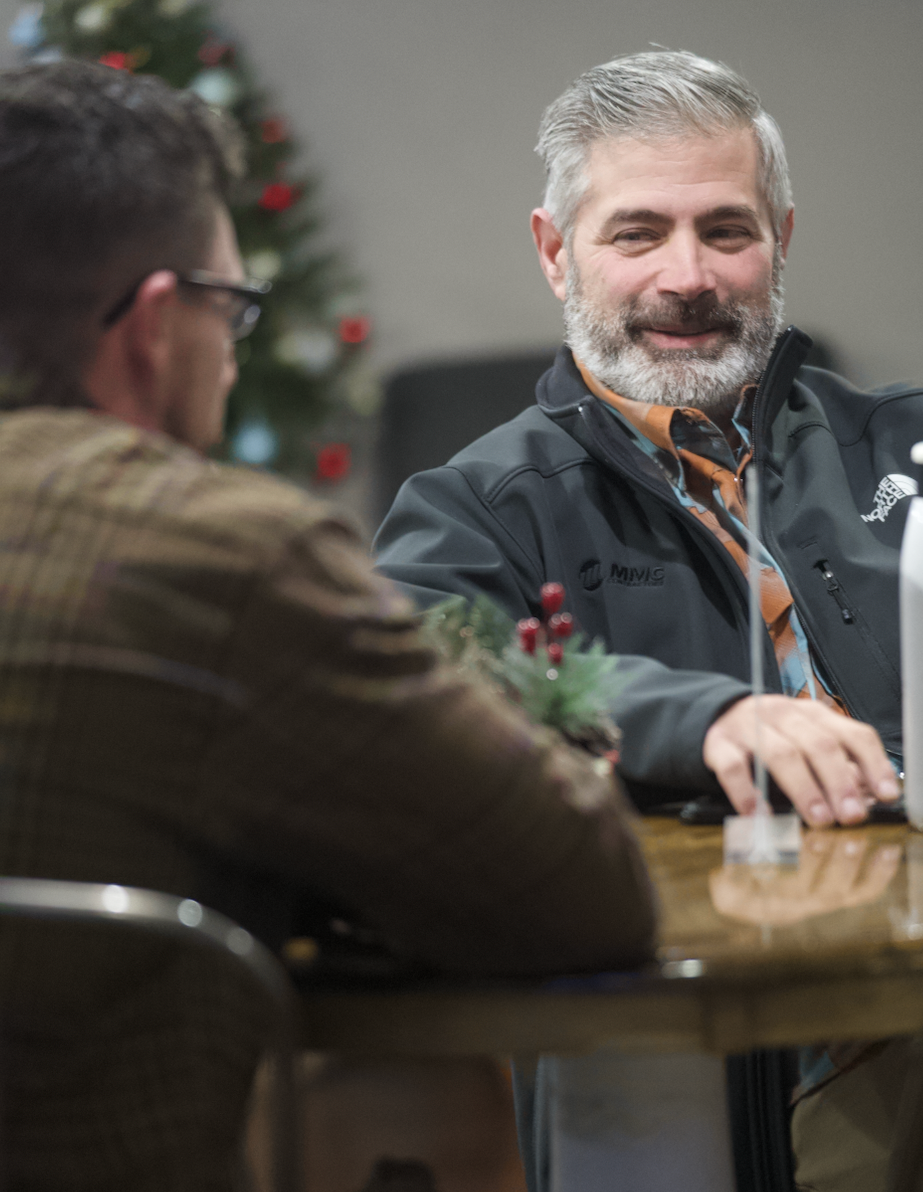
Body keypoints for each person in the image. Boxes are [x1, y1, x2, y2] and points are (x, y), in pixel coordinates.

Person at [0, 60, 657, 1192]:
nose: (236, 346)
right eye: (233, 309)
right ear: (159, 325)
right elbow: (583, 895)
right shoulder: (220, 555)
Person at [374, 48, 923, 1192]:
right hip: (746, 1038)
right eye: (636, 233)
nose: (688, 274)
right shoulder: (474, 505)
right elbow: (422, 676)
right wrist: (704, 718)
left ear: (783, 240)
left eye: (727, 229)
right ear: (556, 252)